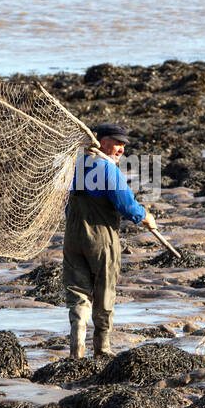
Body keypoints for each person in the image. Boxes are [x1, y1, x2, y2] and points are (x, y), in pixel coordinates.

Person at [63, 123, 157, 358]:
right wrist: (145, 216)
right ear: (102, 142)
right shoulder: (107, 169)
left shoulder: (74, 164)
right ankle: (102, 348)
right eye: (117, 143)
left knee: (77, 292)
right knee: (105, 291)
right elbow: (127, 206)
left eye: (123, 145)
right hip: (101, 237)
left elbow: (65, 202)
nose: (121, 149)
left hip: (73, 237)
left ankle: (76, 349)